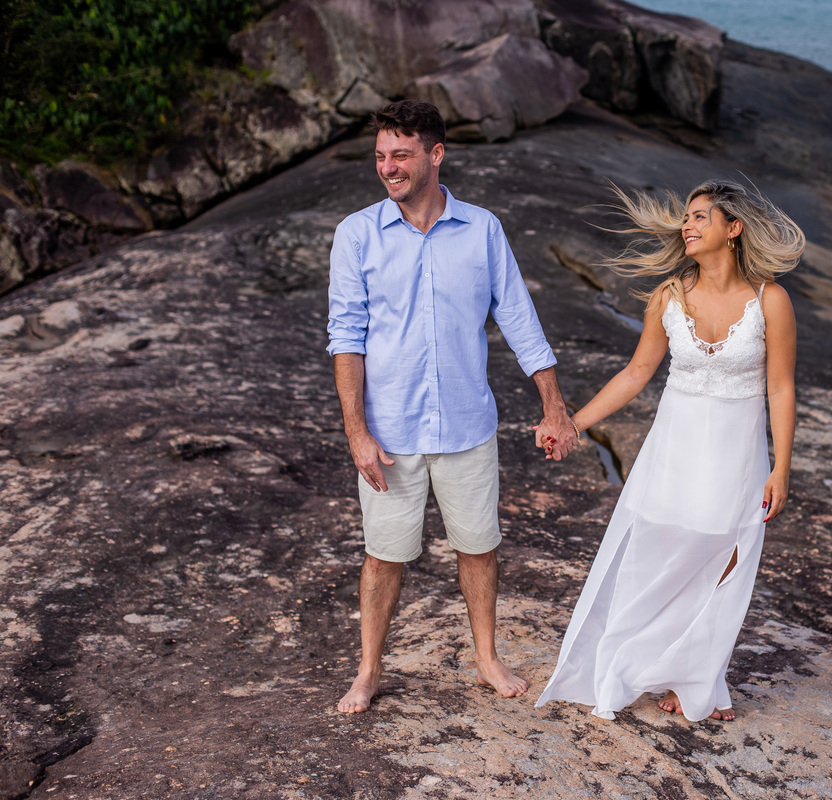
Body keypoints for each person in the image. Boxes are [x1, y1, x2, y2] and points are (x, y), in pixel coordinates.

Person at [327, 100, 578, 713]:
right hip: (392, 431)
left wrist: (555, 407)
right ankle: (367, 672)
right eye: (381, 156)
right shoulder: (356, 234)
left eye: (401, 155)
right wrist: (357, 434)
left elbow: (519, 316)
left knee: (479, 545)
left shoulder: (483, 229)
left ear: (435, 155)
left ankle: (486, 659)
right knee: (383, 554)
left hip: (467, 423)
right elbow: (346, 338)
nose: (388, 167)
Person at [535, 180, 804, 722]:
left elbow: (781, 387)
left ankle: (698, 680)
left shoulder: (769, 299)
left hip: (735, 455)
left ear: (734, 228)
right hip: (673, 449)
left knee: (722, 559)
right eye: (686, 216)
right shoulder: (669, 297)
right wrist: (572, 424)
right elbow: (636, 373)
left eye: (702, 217)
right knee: (656, 554)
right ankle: (633, 665)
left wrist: (781, 467)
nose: (688, 225)